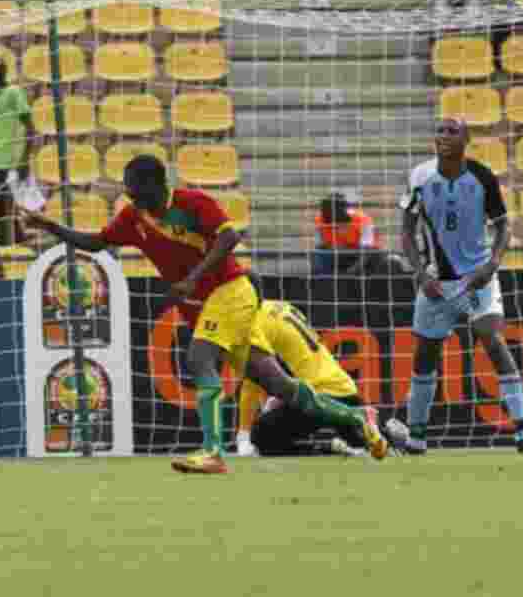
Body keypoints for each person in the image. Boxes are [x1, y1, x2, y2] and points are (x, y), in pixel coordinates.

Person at [22, 155, 387, 474]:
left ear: (157, 184)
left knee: (199, 358)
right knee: (279, 385)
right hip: (204, 304)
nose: (131, 198)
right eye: (128, 192)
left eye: (136, 190)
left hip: (231, 291)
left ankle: (213, 452)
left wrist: (192, 278)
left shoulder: (192, 203)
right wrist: (50, 227)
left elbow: (229, 239)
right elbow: (97, 242)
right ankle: (355, 417)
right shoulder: (134, 218)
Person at [399, 117, 523, 454]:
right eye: (439, 131)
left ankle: (522, 430)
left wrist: (491, 265)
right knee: (424, 356)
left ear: (466, 140)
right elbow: (406, 230)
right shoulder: (419, 176)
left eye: (451, 131)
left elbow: (503, 227)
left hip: (477, 277)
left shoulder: (481, 176)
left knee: (490, 337)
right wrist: (421, 274)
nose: (443, 136)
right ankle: (417, 436)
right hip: (436, 283)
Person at [234, 300, 373, 457]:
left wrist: (243, 436)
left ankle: (327, 450)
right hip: (344, 389)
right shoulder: (281, 306)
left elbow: (252, 380)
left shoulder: (253, 323)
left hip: (318, 398)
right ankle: (394, 435)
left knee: (262, 435)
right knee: (366, 443)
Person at [0, 58, 34, 247]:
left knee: (5, 210)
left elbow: (30, 127)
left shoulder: (13, 92)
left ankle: (14, 244)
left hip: (11, 162)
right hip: (0, 161)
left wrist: (24, 160)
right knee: (2, 210)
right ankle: (16, 241)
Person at [312, 192, 386, 276]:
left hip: (363, 256)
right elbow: (319, 247)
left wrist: (352, 271)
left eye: (330, 212)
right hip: (338, 254)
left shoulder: (362, 220)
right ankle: (323, 281)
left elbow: (367, 252)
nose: (326, 216)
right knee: (318, 255)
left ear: (343, 210)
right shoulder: (321, 220)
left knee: (374, 256)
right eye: (324, 212)